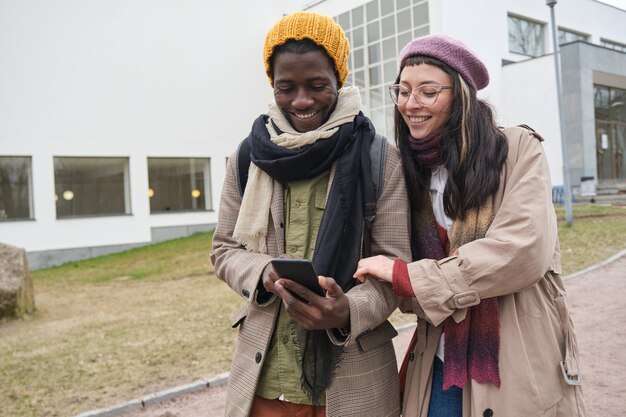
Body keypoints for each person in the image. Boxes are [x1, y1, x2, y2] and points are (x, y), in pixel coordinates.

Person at [354, 34, 587, 417]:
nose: (411, 104)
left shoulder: (517, 149)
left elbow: (522, 250)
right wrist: (405, 282)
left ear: (461, 95)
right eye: (403, 90)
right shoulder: (406, 174)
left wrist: (411, 277)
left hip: (515, 363)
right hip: (439, 364)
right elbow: (413, 297)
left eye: (428, 92)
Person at [210, 11, 411, 417]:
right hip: (268, 384)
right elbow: (224, 249)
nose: (301, 100)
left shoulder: (379, 159)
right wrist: (263, 272)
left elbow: (395, 268)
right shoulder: (247, 157)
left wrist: (346, 311)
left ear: (339, 78)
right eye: (286, 87)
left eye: (317, 85)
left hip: (354, 386)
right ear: (273, 85)